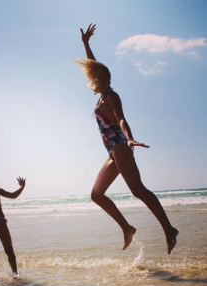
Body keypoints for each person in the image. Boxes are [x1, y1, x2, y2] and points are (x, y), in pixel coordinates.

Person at [76, 24, 178, 254]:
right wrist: (86, 44)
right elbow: (95, 67)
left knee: (138, 190)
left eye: (92, 75)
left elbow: (122, 120)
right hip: (112, 150)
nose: (89, 77)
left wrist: (130, 139)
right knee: (96, 195)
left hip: (121, 146)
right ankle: (127, 227)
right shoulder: (102, 97)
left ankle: (169, 229)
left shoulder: (112, 97)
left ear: (99, 79)